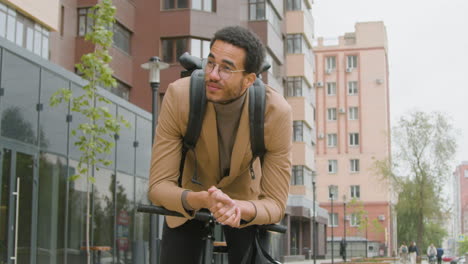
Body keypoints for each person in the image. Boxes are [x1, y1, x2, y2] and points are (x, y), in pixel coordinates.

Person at [148, 26, 292, 263]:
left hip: (245, 199)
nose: (213, 74)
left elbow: (275, 204)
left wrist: (238, 207)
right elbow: (158, 186)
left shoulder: (276, 112)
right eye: (210, 63)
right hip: (190, 194)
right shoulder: (179, 95)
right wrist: (203, 200)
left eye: (226, 68)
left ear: (248, 80)